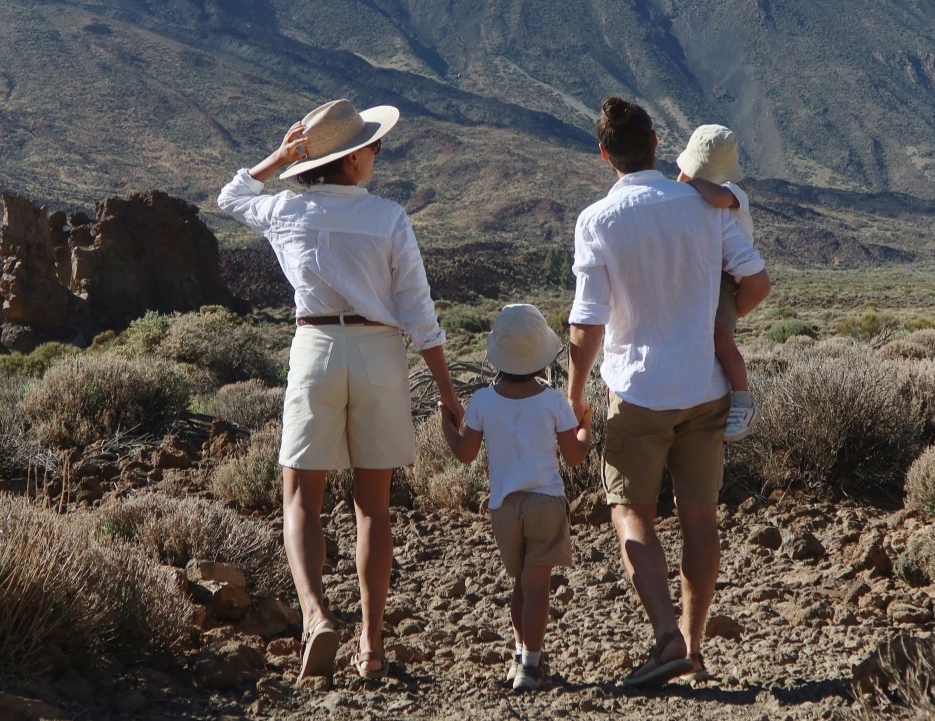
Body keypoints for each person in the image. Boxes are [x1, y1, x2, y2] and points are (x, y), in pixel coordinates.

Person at [217, 99, 464, 683]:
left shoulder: (285, 209)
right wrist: (448, 392)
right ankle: (372, 646)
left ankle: (316, 616)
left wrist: (283, 155)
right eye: (370, 147)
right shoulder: (389, 219)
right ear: (352, 161)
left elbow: (231, 196)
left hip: (316, 351)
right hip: (380, 356)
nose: (377, 152)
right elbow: (420, 312)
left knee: (301, 499)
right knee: (373, 507)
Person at [566, 98, 770, 687]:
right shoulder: (708, 208)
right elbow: (754, 281)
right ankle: (694, 647)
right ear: (657, 142)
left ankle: (665, 638)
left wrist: (576, 397)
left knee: (631, 510)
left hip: (637, 391)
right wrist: (718, 326)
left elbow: (587, 324)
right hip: (705, 387)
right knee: (700, 518)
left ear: (604, 155)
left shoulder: (597, 221)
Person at [438, 304, 593, 692]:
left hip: (504, 509)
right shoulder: (554, 402)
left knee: (521, 586)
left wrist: (447, 425)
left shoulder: (482, 402)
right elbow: (574, 458)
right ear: (542, 355)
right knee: (537, 585)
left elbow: (465, 454)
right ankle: (532, 665)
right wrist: (587, 427)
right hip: (545, 503)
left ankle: (521, 655)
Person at [677, 124, 759, 441]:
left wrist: (690, 178)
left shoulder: (732, 192)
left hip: (728, 274)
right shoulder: (707, 187)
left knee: (720, 336)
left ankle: (742, 401)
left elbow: (716, 198)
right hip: (712, 269)